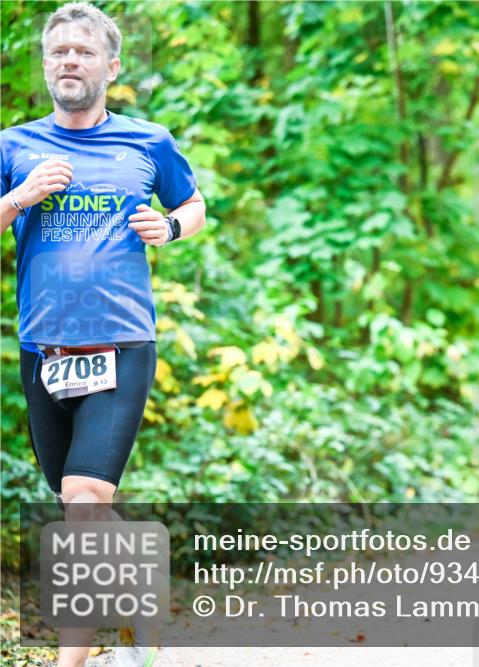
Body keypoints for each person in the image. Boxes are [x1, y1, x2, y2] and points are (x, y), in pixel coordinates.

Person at [0, 4, 206, 666]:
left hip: (120, 343)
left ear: (110, 67)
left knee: (85, 502)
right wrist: (20, 197)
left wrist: (169, 229)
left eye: (83, 51)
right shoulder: (15, 146)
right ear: (45, 64)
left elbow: (194, 204)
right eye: (57, 50)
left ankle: (72, 662)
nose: (68, 60)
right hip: (44, 349)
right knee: (74, 514)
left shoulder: (148, 141)